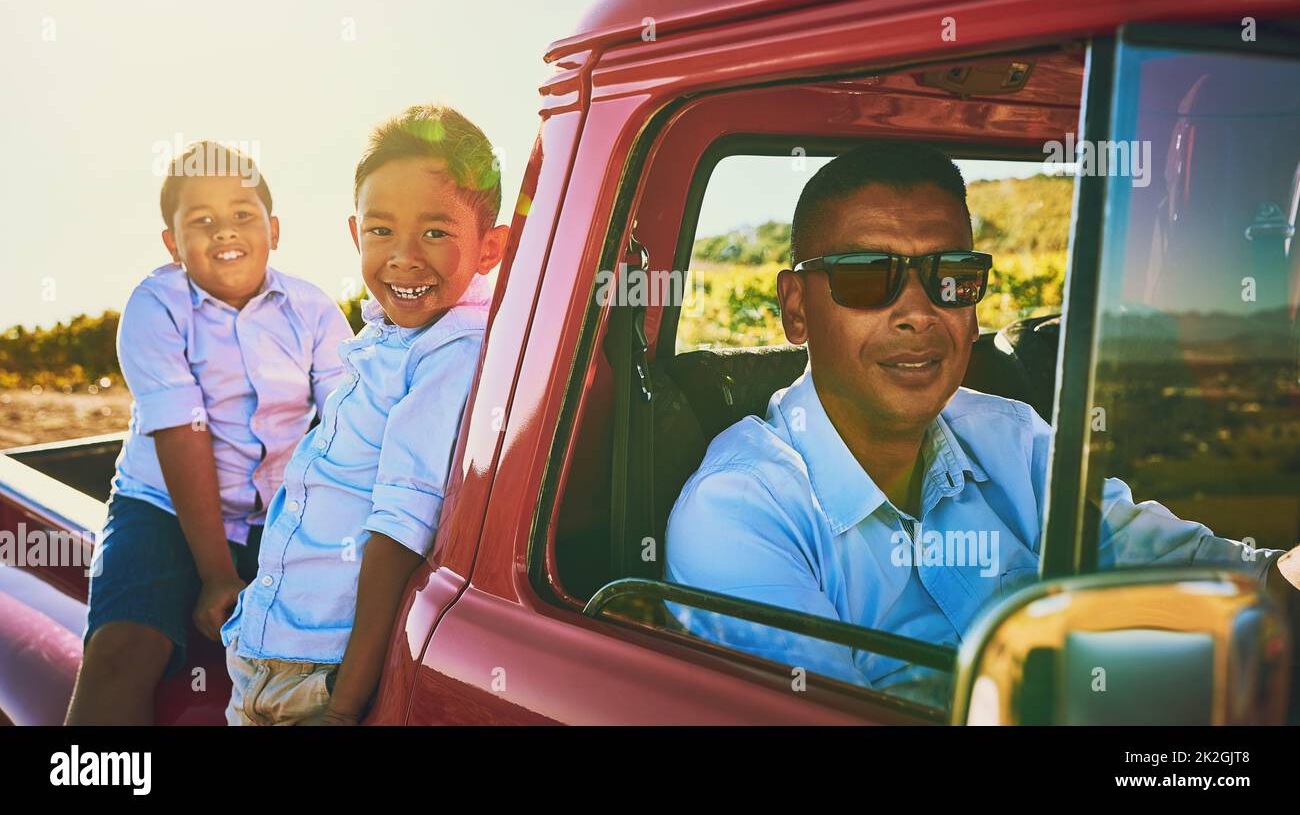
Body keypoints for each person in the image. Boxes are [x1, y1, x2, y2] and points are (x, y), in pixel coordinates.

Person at [665, 141, 1298, 701]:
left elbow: (1210, 573)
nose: (919, 310)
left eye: (952, 277)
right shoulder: (740, 515)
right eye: (866, 278)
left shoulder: (1013, 439)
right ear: (796, 309)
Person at [220, 105, 509, 725]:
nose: (403, 257)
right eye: (381, 231)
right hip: (271, 651)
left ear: (491, 248)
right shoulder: (393, 336)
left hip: (317, 675)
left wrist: (347, 701)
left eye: (435, 232)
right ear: (355, 235)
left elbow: (400, 525)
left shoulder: (449, 353)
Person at [66, 141, 352, 725]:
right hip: (163, 506)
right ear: (173, 243)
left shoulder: (314, 309)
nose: (225, 229)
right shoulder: (156, 306)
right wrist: (216, 573)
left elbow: (348, 424)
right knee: (120, 657)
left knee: (336, 647)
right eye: (201, 219)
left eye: (243, 214)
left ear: (273, 227)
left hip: (279, 510)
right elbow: (182, 432)